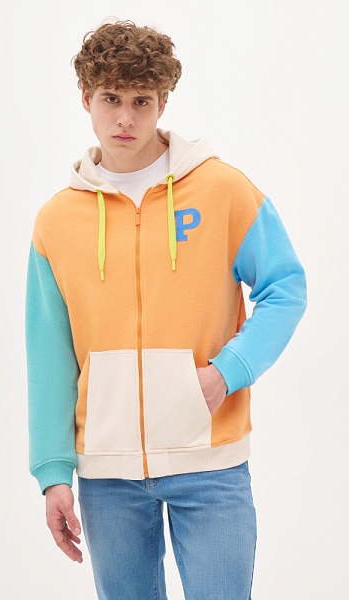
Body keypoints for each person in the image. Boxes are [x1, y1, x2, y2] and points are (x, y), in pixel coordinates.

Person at [26, 19, 307, 599]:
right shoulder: (57, 221)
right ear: (86, 98)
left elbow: (286, 288)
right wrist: (53, 472)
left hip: (210, 463)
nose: (125, 119)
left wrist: (228, 372)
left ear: (163, 103)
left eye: (142, 101)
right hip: (107, 475)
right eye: (111, 99)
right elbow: (49, 353)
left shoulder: (222, 190)